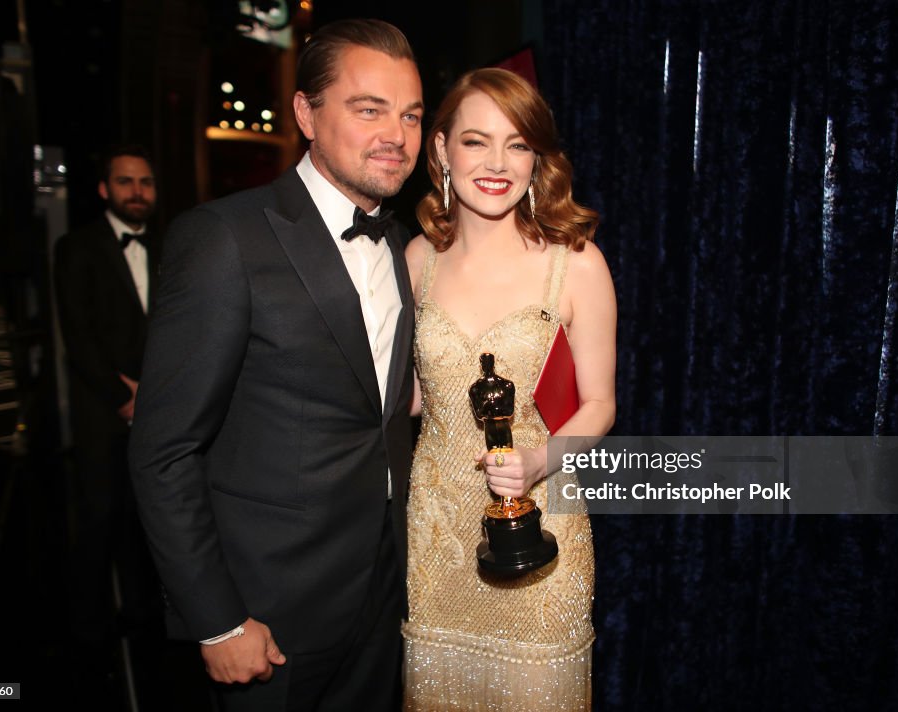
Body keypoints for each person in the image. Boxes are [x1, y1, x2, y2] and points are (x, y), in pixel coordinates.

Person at [128, 19, 422, 712]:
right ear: (305, 114)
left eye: (410, 114)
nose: (396, 135)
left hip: (384, 598)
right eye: (368, 108)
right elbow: (163, 451)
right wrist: (217, 619)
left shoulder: (405, 244)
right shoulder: (224, 238)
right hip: (271, 612)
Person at [402, 68, 617, 710]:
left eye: (518, 144)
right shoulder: (415, 261)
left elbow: (600, 404)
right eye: (476, 141)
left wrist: (538, 462)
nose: (497, 163)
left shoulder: (575, 262)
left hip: (544, 530)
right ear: (441, 150)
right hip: (437, 535)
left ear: (537, 159)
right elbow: (408, 399)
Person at [54, 143, 162, 675]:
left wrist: (159, 393)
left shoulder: (169, 245)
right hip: (103, 409)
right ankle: (86, 632)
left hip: (161, 407)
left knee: (147, 520)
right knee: (97, 519)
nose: (137, 192)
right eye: (125, 182)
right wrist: (124, 397)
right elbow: (79, 336)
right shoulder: (76, 248)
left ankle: (143, 619)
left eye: (144, 183)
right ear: (104, 190)